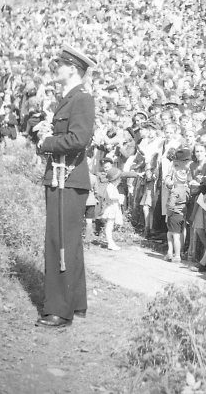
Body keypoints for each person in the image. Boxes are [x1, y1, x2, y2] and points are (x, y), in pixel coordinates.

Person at [35, 44, 96, 328]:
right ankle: (78, 304)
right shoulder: (68, 97)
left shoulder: (81, 98)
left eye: (59, 64)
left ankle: (59, 311)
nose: (54, 68)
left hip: (68, 179)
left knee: (60, 241)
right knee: (70, 242)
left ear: (73, 68)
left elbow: (78, 140)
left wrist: (46, 143)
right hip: (63, 177)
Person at [99, 167, 123, 251]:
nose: (120, 180)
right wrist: (119, 197)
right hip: (111, 208)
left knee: (110, 226)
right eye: (119, 178)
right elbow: (111, 196)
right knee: (109, 226)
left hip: (113, 207)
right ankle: (110, 242)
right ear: (115, 179)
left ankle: (111, 242)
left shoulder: (112, 186)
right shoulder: (110, 186)